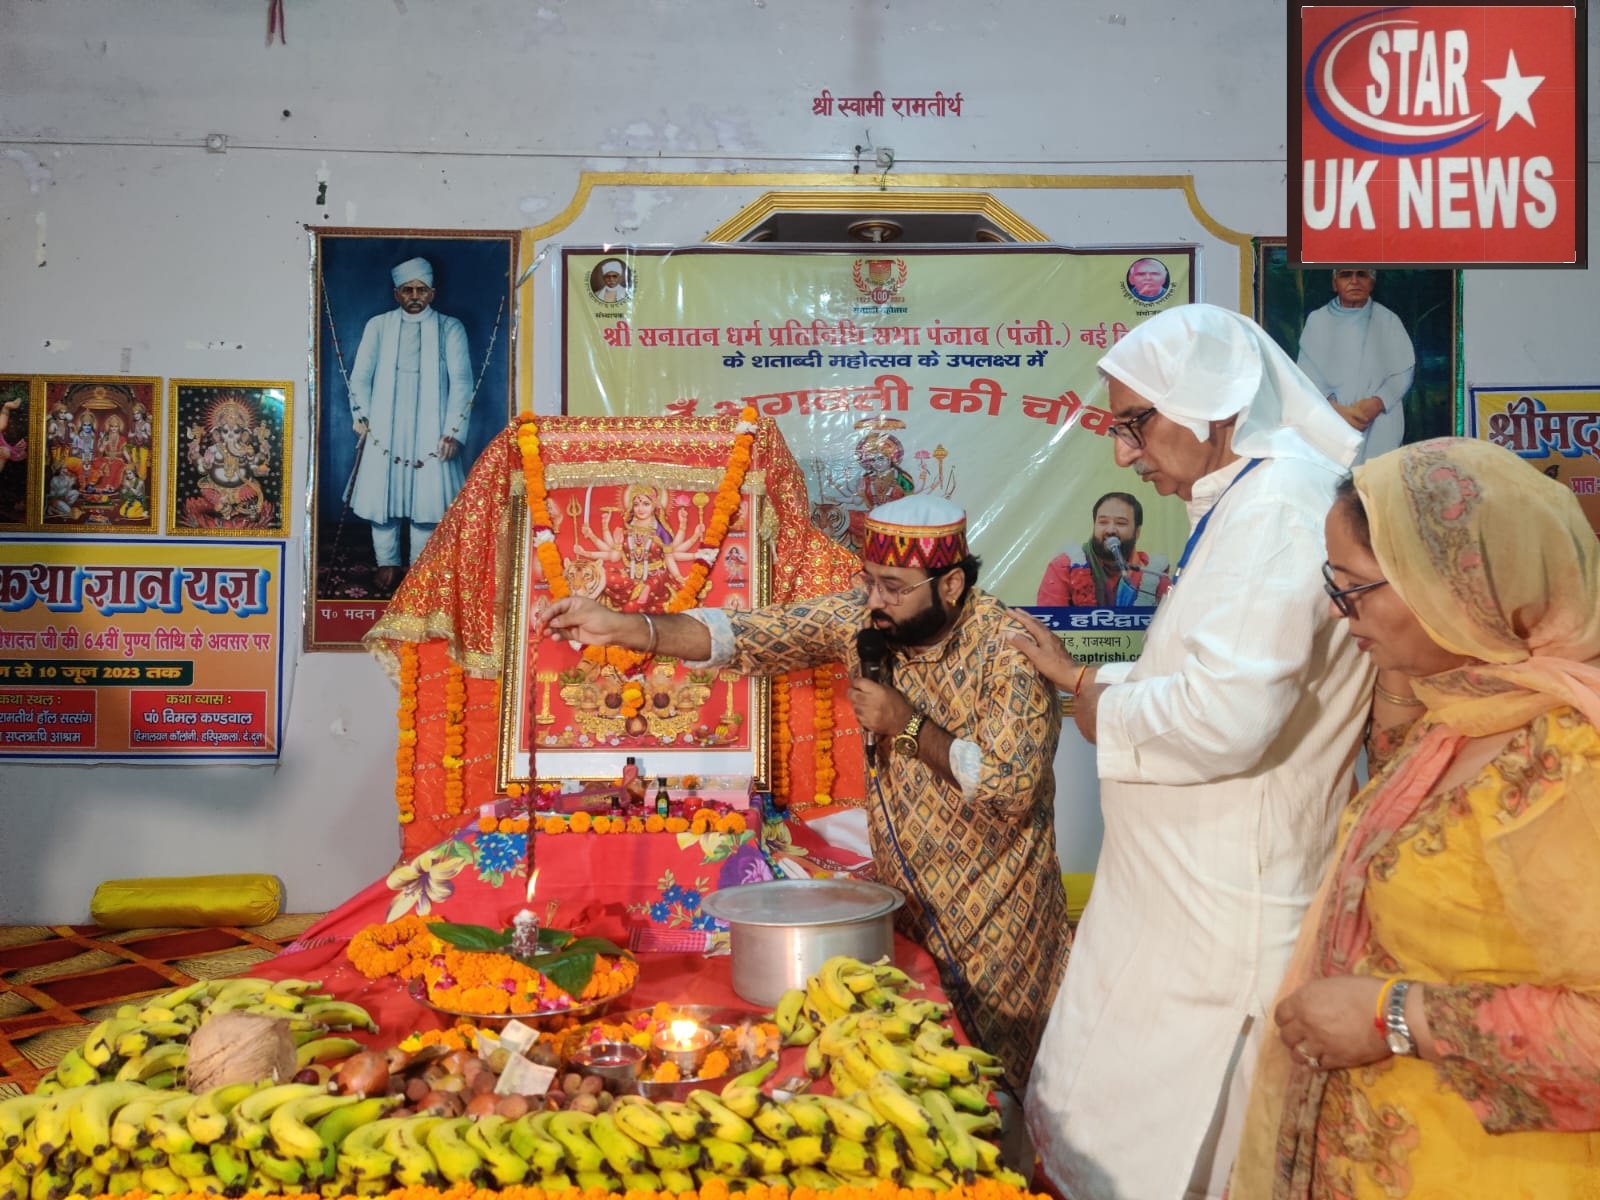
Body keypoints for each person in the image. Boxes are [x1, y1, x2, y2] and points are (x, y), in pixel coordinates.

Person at [1013, 304, 1375, 1200]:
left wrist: (1099, 703)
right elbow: (1203, 672)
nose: (1124, 455)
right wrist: (1093, 682)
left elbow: (1225, 717)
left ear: (1215, 405)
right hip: (1180, 903)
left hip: (1222, 916)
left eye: (1135, 424)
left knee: (1179, 1158)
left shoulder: (1280, 507)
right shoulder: (1244, 499)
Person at [539, 494, 1070, 1094]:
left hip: (1001, 916)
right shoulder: (864, 619)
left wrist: (907, 724)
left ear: (950, 585)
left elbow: (1008, 787)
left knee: (1004, 1084)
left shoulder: (1007, 650)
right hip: (905, 909)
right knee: (915, 1080)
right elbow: (749, 635)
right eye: (869, 581)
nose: (874, 601)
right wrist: (626, 627)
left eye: (894, 588)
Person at [1230, 437, 1600, 1199]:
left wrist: (1395, 1015)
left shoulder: (1569, 761)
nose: (1340, 612)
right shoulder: (1463, 718)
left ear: (1452, 589)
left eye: (1355, 589)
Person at [346, 256, 473, 595]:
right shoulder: (378, 325)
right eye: (407, 290)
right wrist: (362, 416)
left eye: (421, 290)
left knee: (426, 501)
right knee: (383, 500)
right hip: (385, 424)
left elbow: (462, 383)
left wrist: (454, 432)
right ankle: (387, 563)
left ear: (432, 293)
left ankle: (419, 567)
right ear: (396, 294)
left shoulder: (450, 328)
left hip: (433, 424)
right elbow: (360, 378)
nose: (414, 296)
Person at [1295, 267, 1415, 466]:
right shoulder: (1317, 320)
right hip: (1331, 420)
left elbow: (1404, 371)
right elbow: (1307, 373)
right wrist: (1336, 410)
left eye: (1361, 275)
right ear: (1334, 284)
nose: (1354, 281)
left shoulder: (1388, 320)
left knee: (1377, 478)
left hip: (1378, 422)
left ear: (1372, 283)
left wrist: (1377, 403)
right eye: (1345, 275)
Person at [1034, 490, 1171, 607]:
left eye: (1120, 523)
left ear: (1137, 532)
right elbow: (1048, 624)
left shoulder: (1152, 574)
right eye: (1103, 522)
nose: (1110, 530)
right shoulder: (1065, 566)